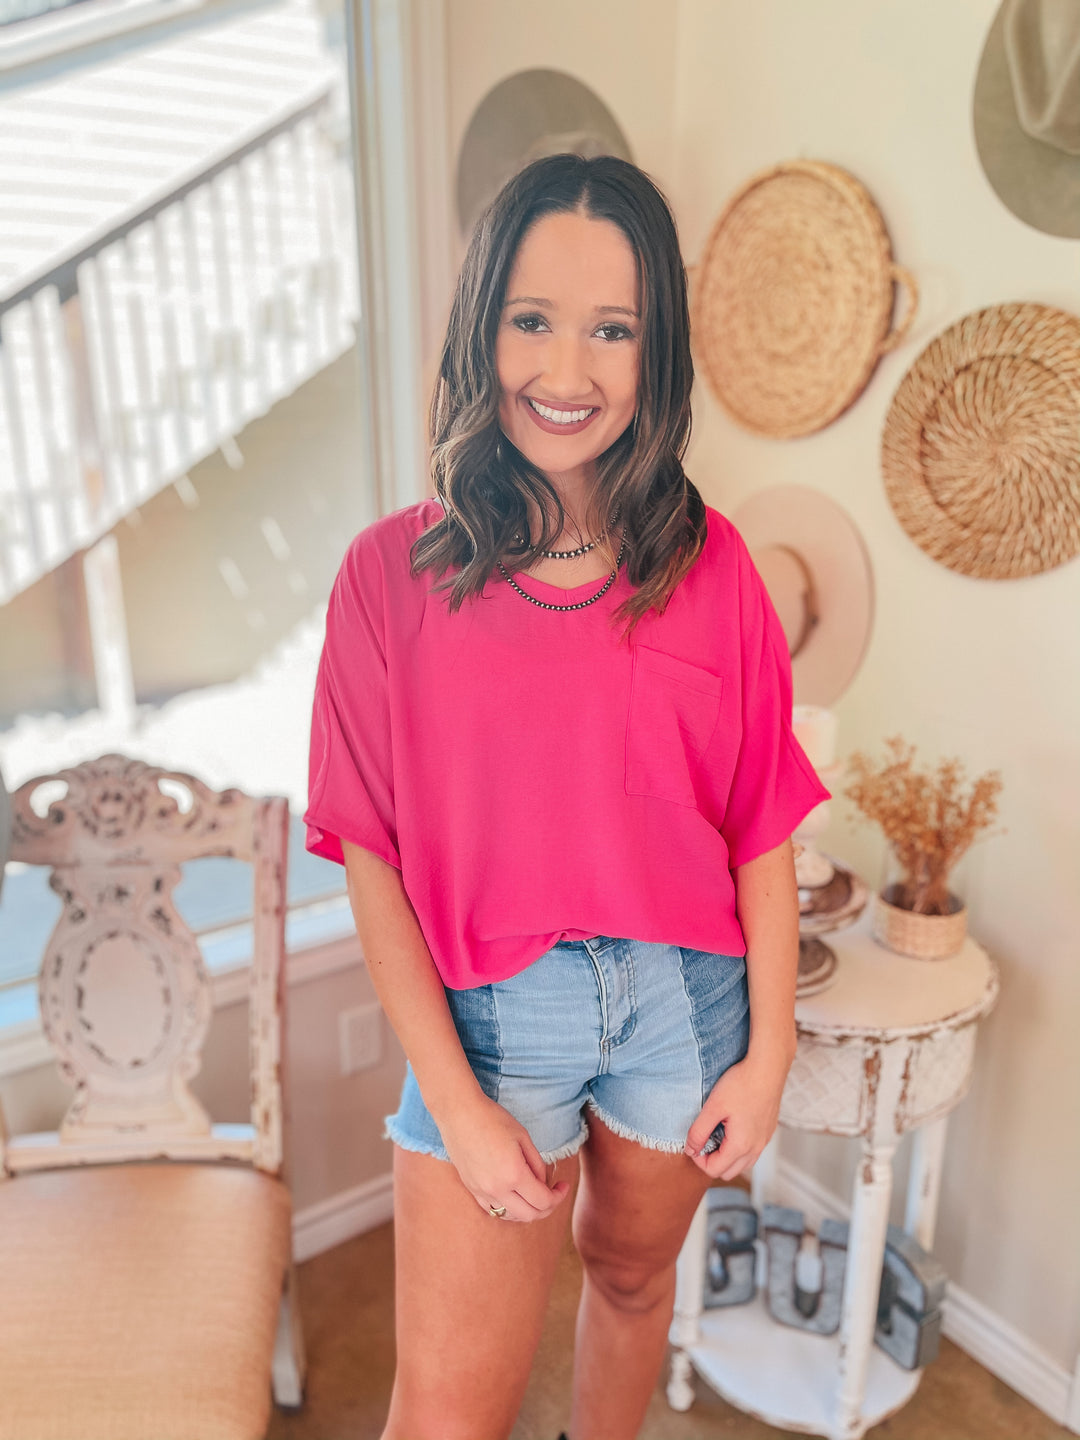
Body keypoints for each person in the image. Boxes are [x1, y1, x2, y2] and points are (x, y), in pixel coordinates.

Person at [303, 153, 832, 1440]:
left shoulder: (715, 568)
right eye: (532, 320)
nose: (567, 370)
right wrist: (457, 1102)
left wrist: (768, 1055)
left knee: (632, 1280)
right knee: (445, 1411)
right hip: (491, 1021)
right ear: (483, 328)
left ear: (658, 353)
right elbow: (370, 855)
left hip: (683, 1004)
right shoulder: (388, 578)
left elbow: (758, 826)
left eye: (613, 330)